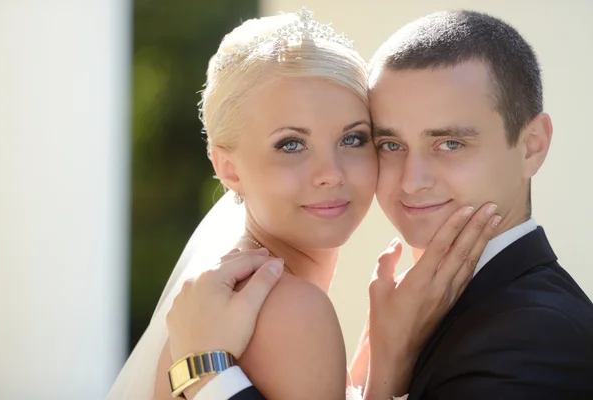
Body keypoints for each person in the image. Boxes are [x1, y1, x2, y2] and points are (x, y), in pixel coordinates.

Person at [166, 9, 593, 400]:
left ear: (532, 146)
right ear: (228, 167)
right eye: (390, 144)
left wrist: (207, 376)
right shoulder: (280, 307)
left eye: (450, 143)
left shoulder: (537, 334)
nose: (412, 180)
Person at [105, 7, 501, 400]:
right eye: (291, 144)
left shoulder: (229, 298)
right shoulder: (292, 309)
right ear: (229, 168)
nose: (330, 173)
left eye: (353, 139)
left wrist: (385, 361)